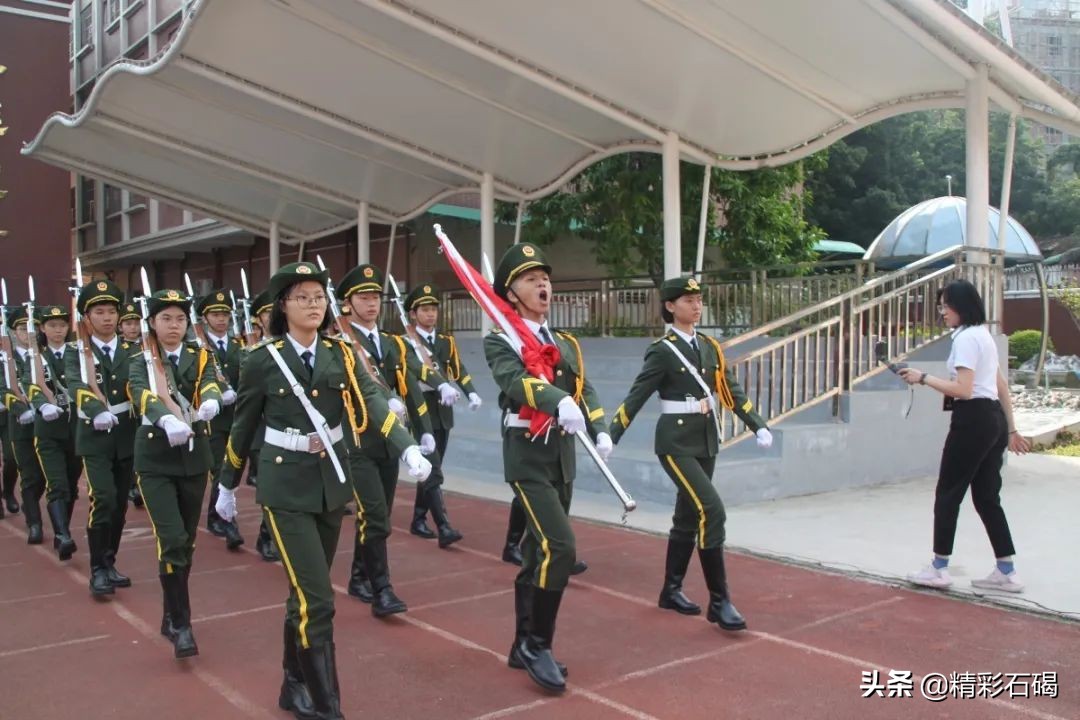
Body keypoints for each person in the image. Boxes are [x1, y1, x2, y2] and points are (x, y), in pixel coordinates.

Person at [214, 262, 430, 720]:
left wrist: (406, 446)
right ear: (282, 307)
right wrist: (227, 485)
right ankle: (330, 707)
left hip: (331, 485)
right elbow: (243, 426)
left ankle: (293, 687)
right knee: (319, 600)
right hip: (285, 488)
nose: (313, 305)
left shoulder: (341, 354)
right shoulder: (261, 360)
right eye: (302, 297)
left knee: (302, 596)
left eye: (318, 297)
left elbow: (371, 400)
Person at [609, 277, 773, 632]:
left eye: (698, 299)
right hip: (676, 443)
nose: (696, 306)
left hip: (705, 440)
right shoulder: (663, 350)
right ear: (670, 306)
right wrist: (611, 435)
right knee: (711, 510)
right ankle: (720, 601)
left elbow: (733, 391)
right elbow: (636, 396)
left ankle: (670, 590)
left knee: (687, 516)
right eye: (688, 300)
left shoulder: (710, 347)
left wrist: (757, 424)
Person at [484, 243, 609, 694]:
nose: (543, 285)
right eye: (531, 279)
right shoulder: (502, 340)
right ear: (511, 292)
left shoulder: (563, 342)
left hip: (562, 456)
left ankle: (521, 644)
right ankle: (540, 645)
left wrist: (600, 427)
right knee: (560, 546)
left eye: (545, 278)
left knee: (538, 553)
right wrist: (558, 401)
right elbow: (513, 381)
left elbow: (585, 388)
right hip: (527, 456)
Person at [899, 279, 1030, 593]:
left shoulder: (966, 340)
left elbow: (963, 389)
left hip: (972, 420)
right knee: (986, 497)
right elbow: (999, 386)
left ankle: (939, 567)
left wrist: (924, 377)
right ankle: (1006, 570)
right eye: (941, 305)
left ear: (962, 307)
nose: (942, 311)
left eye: (947, 305)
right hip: (992, 420)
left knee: (948, 493)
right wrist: (1010, 428)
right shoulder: (983, 336)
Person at [129, 288, 223, 658]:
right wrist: (166, 418)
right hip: (155, 460)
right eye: (166, 318)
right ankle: (182, 625)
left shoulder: (201, 355)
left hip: (194, 458)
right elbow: (141, 393)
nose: (173, 325)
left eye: (180, 319)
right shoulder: (142, 360)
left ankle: (171, 612)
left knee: (186, 541)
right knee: (170, 538)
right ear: (152, 323)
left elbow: (211, 380)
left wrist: (212, 398)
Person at [337, 263, 432, 612]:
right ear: (347, 303)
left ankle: (359, 576)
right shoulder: (341, 343)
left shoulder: (391, 344)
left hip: (391, 442)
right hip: (359, 439)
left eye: (375, 296)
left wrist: (424, 431)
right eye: (363, 297)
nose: (371, 303)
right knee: (374, 515)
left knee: (380, 515)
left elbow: (408, 388)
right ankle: (382, 589)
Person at [65, 279, 140, 597]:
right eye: (100, 311)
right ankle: (97, 568)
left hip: (126, 434)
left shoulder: (133, 351)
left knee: (120, 504)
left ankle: (109, 562)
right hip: (94, 436)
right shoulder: (76, 352)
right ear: (87, 316)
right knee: (104, 498)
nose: (107, 318)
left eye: (112, 311)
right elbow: (75, 385)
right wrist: (95, 409)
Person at [403, 282, 477, 545]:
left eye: (433, 308)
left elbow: (457, 369)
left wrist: (471, 392)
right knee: (432, 467)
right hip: (420, 408)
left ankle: (418, 518)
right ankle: (443, 526)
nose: (430, 314)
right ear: (413, 314)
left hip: (443, 411)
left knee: (433, 466)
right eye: (424, 309)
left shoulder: (446, 341)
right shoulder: (407, 342)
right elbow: (411, 373)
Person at [23, 305, 81, 560]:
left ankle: (62, 529)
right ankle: (63, 535)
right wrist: (42, 404)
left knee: (71, 485)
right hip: (48, 430)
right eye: (52, 325)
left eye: (62, 325)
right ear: (43, 329)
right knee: (57, 484)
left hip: (76, 428)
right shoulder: (36, 356)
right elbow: (29, 383)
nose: (58, 330)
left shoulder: (79, 353)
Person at [197, 290, 244, 551]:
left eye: (225, 314)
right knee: (218, 468)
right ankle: (228, 521)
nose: (222, 319)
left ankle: (217, 514)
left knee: (234, 466)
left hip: (237, 416)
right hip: (212, 419)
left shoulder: (238, 345)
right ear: (205, 317)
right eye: (216, 314)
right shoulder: (199, 346)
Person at [3, 307, 46, 544]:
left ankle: (27, 503)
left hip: (46, 422)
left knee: (43, 477)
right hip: (20, 421)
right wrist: (21, 409)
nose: (28, 333)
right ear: (13, 331)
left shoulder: (44, 354)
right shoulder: (6, 357)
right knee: (25, 471)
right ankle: (34, 523)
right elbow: (4, 388)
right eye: (22, 328)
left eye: (33, 328)